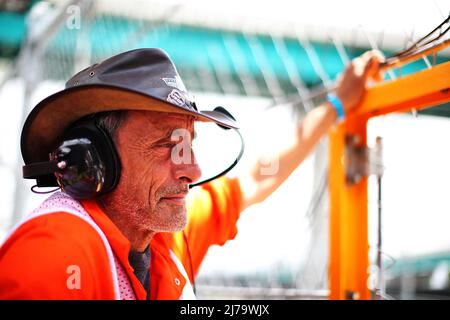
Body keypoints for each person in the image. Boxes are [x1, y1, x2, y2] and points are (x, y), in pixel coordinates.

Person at [0, 48, 382, 299]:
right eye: (166, 145)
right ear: (93, 161)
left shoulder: (161, 233)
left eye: (189, 143)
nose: (193, 169)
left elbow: (258, 176)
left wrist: (336, 105)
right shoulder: (52, 257)